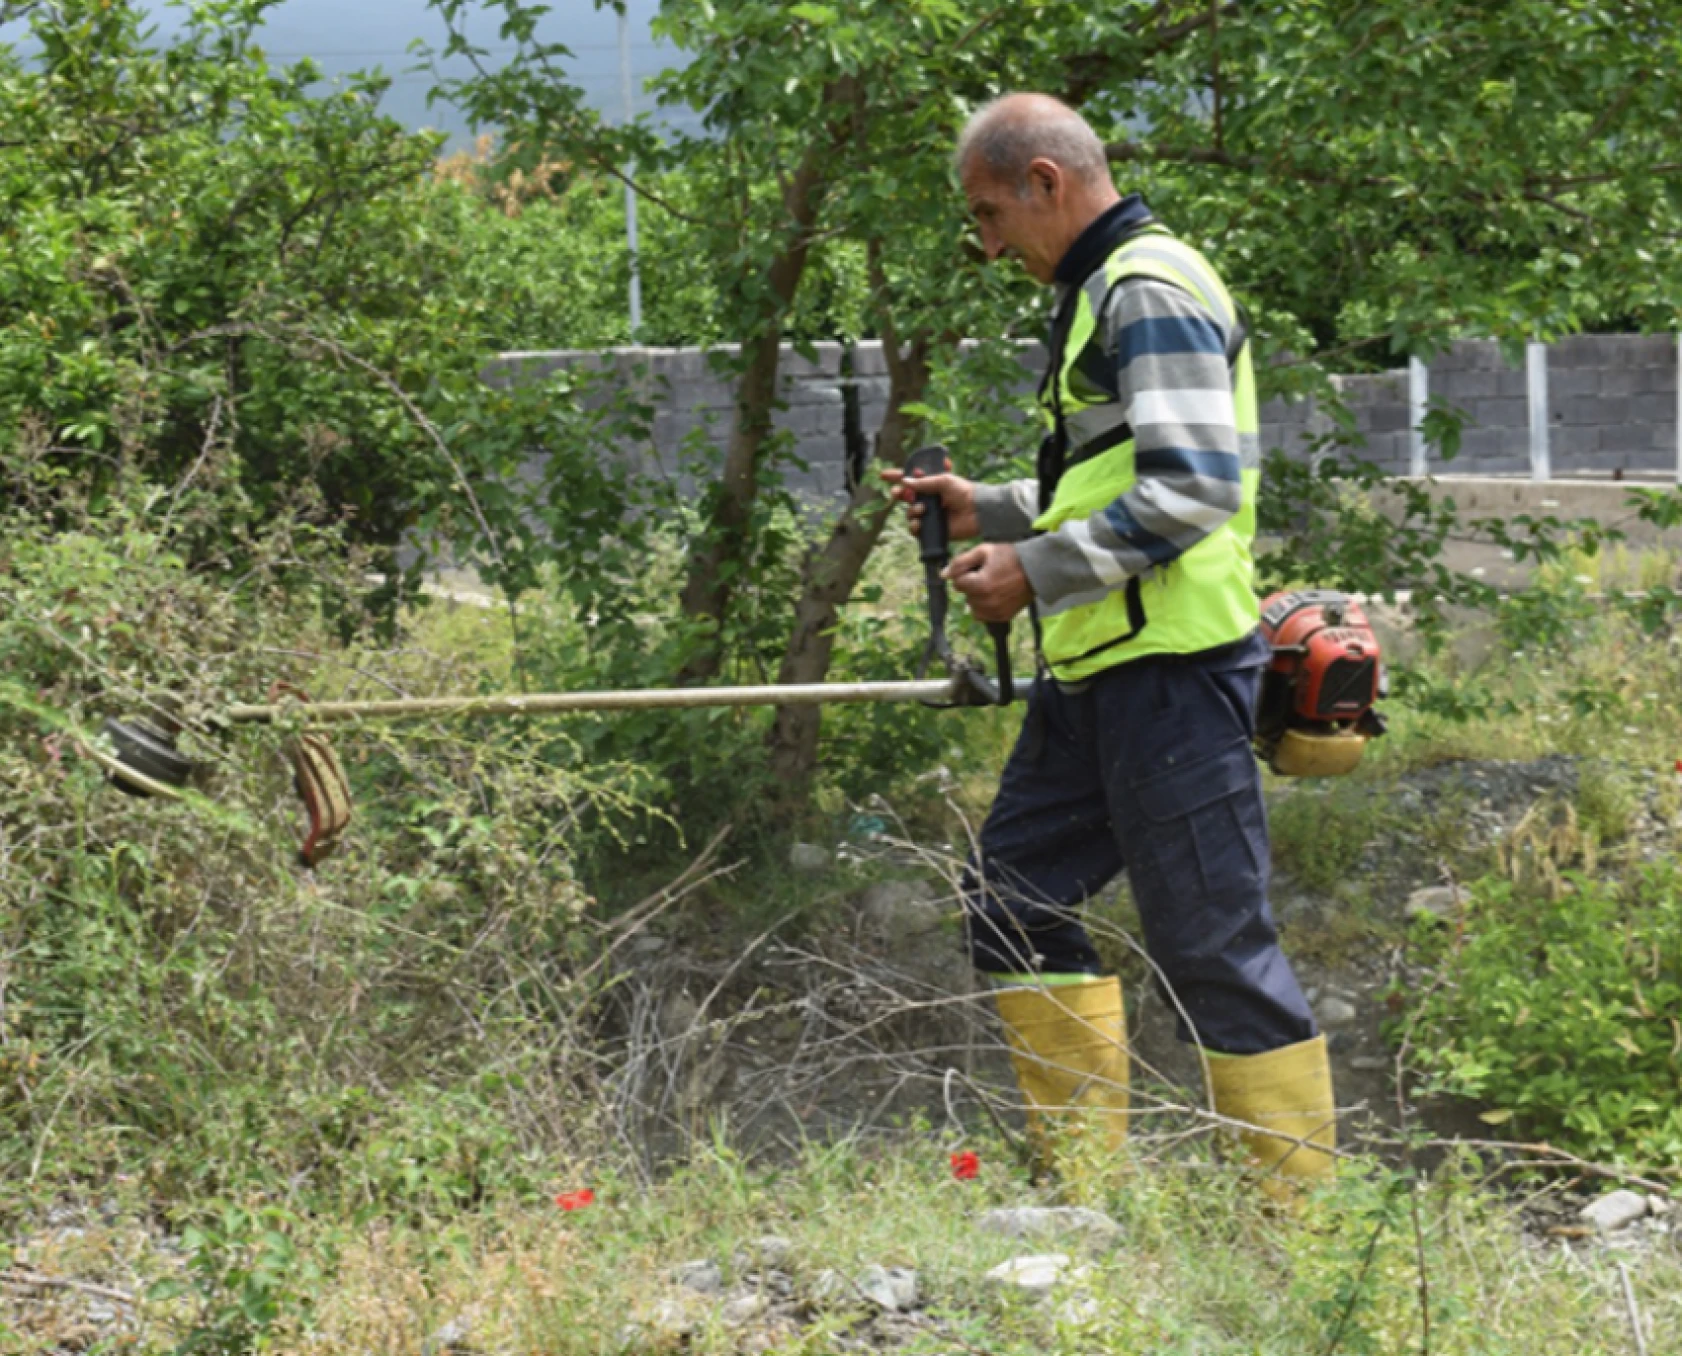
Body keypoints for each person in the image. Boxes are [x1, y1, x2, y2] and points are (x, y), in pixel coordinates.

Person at [890, 93, 1334, 1199]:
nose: (988, 246)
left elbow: (1189, 491)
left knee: (1212, 954)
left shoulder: (1143, 287)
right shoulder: (1100, 292)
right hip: (1097, 669)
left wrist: (1026, 573)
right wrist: (983, 514)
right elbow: (1108, 477)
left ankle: (1304, 1245)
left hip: (1174, 673)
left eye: (991, 216)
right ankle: (1082, 1197)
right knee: (1013, 897)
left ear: (1045, 181)